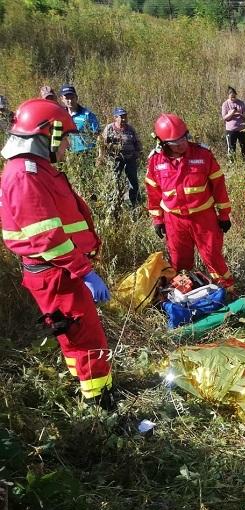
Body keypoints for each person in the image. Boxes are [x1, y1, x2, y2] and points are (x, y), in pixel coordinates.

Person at [0, 98, 113, 405]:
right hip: (57, 273)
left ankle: (86, 385)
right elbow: (47, 238)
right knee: (87, 339)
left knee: (73, 336)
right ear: (47, 133)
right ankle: (100, 403)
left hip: (60, 271)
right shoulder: (25, 174)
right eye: (63, 139)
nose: (65, 147)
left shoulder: (36, 169)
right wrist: (85, 272)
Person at [145, 113, 235, 290]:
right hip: (174, 221)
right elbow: (153, 193)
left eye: (183, 138)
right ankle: (188, 297)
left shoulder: (203, 155)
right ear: (162, 143)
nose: (181, 144)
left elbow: (219, 186)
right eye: (175, 143)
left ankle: (227, 291)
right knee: (179, 262)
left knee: (213, 257)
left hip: (204, 218)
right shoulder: (155, 161)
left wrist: (224, 215)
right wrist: (157, 219)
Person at [100, 107, 143, 205]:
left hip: (130, 158)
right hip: (116, 159)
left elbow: (137, 142)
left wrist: (138, 153)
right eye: (121, 117)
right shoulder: (109, 128)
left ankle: (135, 203)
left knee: (133, 182)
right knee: (114, 180)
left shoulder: (130, 129)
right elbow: (102, 143)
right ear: (115, 117)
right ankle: (114, 203)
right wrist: (102, 156)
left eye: (125, 117)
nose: (124, 119)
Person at [60, 84, 100, 154]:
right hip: (69, 155)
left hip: (87, 153)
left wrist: (100, 155)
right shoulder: (60, 115)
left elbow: (98, 135)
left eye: (72, 97)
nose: (70, 101)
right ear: (62, 99)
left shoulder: (88, 115)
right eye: (67, 98)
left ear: (76, 97)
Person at [221, 86, 245, 161]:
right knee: (231, 148)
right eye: (230, 94)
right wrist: (232, 113)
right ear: (228, 95)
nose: (232, 96)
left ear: (236, 94)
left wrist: (240, 113)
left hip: (242, 129)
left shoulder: (241, 103)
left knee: (244, 147)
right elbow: (225, 118)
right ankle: (232, 164)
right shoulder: (225, 104)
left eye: (234, 94)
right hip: (231, 130)